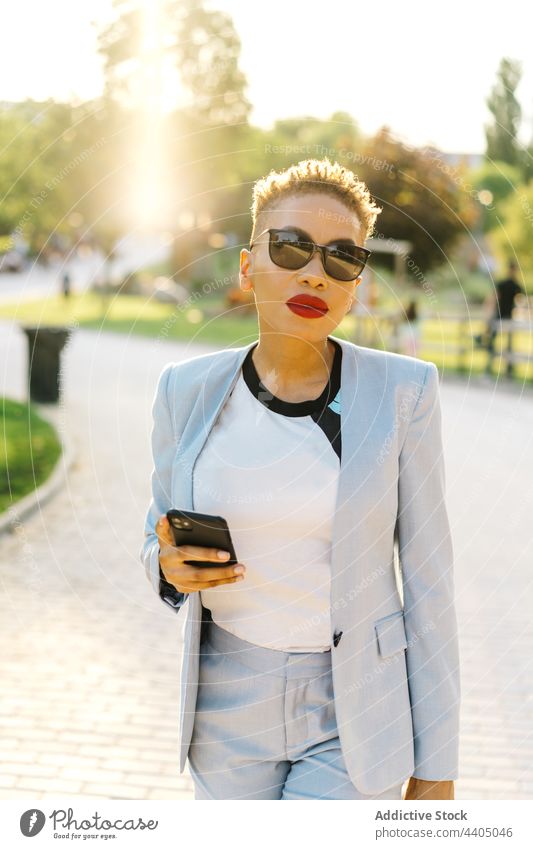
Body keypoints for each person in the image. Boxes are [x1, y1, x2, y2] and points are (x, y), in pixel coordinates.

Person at [140, 158, 460, 801]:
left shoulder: (405, 393)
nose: (315, 271)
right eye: (289, 247)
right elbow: (157, 535)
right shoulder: (185, 390)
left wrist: (439, 763)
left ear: (356, 282)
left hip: (355, 711)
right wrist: (168, 566)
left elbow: (430, 581)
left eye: (342, 256)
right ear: (246, 264)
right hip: (225, 704)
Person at [475, 260, 524, 373]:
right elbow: (519, 300)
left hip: (501, 316)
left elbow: (494, 297)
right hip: (506, 316)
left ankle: (494, 367)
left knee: (498, 341)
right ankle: (505, 368)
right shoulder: (515, 285)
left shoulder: (505, 284)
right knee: (504, 342)